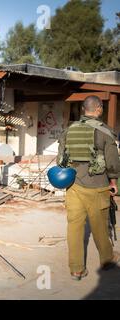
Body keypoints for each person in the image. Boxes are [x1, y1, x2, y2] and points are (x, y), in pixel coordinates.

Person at [57, 95, 120, 280]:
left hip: (73, 185)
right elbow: (112, 162)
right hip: (98, 186)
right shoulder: (105, 132)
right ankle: (107, 259)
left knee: (74, 227)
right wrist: (114, 182)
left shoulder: (69, 130)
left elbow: (61, 158)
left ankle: (76, 269)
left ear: (84, 109)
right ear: (99, 109)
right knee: (100, 225)